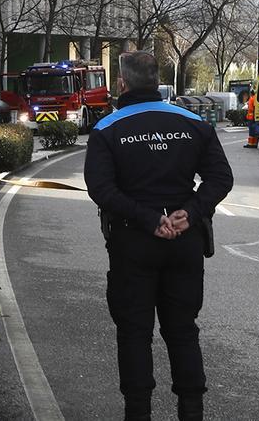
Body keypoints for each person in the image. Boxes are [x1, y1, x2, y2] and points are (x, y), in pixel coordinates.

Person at [84, 51, 234, 421]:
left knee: (135, 333)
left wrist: (148, 219)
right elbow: (220, 178)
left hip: (133, 242)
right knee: (183, 330)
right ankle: (191, 410)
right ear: (156, 81)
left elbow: (100, 189)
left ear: (122, 84)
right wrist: (192, 213)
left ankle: (138, 412)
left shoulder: (107, 129)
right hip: (185, 242)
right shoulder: (194, 123)